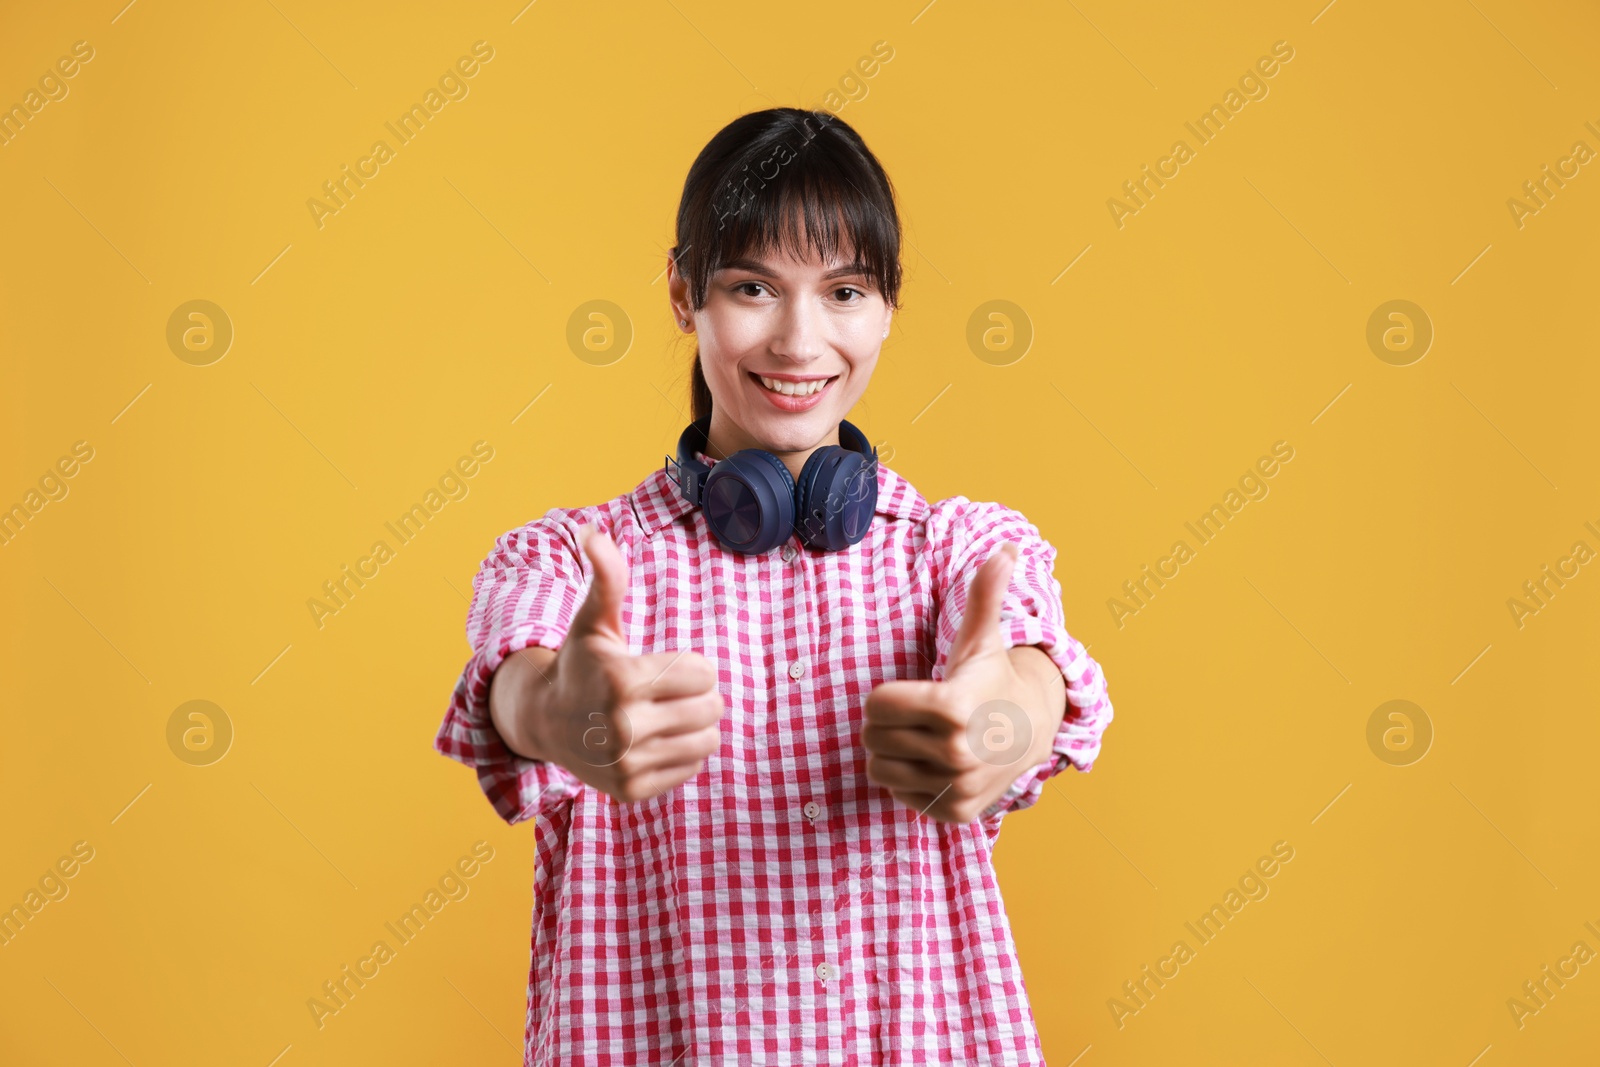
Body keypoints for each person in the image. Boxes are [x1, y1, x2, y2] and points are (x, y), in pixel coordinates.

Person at [434, 106, 1114, 1065]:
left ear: (889, 307)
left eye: (845, 292)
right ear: (682, 292)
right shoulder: (570, 561)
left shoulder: (958, 549)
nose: (800, 341)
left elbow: (1030, 678)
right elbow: (522, 687)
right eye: (754, 286)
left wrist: (994, 727)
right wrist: (568, 713)